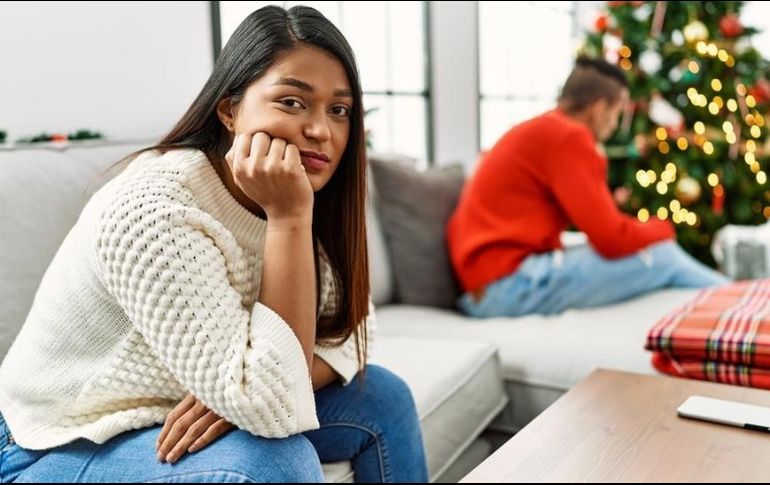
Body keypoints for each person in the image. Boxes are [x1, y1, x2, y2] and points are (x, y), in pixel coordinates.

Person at [0, 5, 428, 483]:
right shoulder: (156, 209)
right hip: (55, 441)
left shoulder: (300, 193)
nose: (320, 130)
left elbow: (354, 324)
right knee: (276, 463)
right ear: (229, 110)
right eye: (292, 102)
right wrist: (288, 220)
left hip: (173, 414)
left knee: (383, 399)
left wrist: (240, 396)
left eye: (339, 110)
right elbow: (270, 405)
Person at [447, 56, 729, 319]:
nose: (616, 125)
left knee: (654, 255)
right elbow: (610, 238)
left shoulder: (545, 129)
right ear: (599, 108)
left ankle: (740, 297)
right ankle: (746, 301)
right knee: (662, 256)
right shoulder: (568, 136)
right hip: (504, 287)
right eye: (618, 113)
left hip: (489, 284)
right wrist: (663, 228)